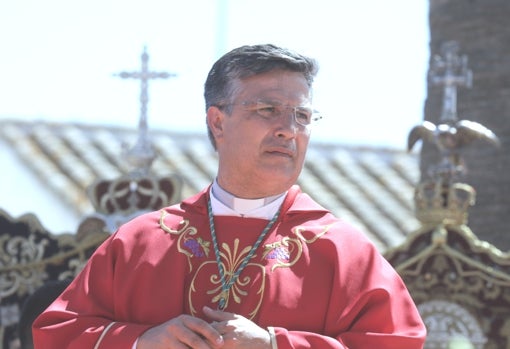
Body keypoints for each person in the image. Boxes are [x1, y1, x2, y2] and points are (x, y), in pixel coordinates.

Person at [32, 44, 426, 348]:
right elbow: (57, 334)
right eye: (269, 109)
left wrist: (275, 344)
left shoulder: (344, 253)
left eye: (303, 116)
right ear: (218, 122)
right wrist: (140, 342)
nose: (289, 129)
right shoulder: (142, 242)